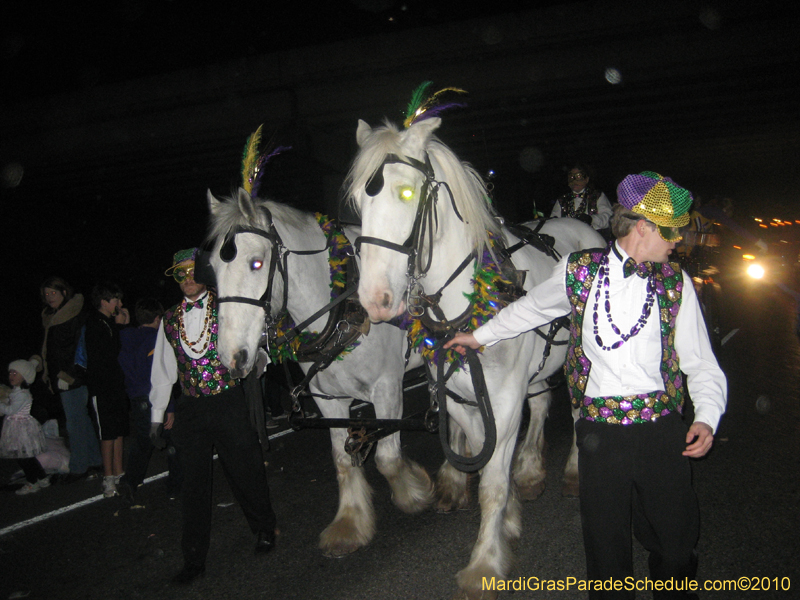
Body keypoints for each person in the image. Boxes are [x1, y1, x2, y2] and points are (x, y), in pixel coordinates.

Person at [446, 171, 727, 599]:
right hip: (599, 434)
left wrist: (706, 416)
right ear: (643, 227)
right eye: (672, 232)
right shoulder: (579, 272)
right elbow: (529, 310)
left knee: (676, 542)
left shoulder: (675, 283)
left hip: (663, 430)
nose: (677, 242)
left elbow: (701, 363)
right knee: (606, 551)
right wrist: (479, 335)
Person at [149, 248, 277, 584]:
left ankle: (264, 529)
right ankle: (193, 559)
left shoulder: (226, 306)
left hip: (227, 400)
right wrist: (157, 414)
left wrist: (256, 361)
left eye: (192, 271)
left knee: (245, 469)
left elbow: (253, 343)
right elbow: (163, 370)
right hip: (191, 407)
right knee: (193, 484)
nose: (187, 279)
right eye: (180, 274)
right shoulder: (169, 319)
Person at [40, 277, 102, 482]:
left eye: (53, 293)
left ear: (64, 293)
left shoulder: (74, 314)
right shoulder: (52, 316)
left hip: (73, 377)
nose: (50, 297)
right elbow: (53, 350)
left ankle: (79, 467)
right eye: (47, 293)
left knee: (74, 423)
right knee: (81, 419)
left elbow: (80, 348)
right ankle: (95, 460)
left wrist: (70, 376)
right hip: (61, 376)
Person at [117, 298, 179, 504]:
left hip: (136, 398)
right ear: (157, 318)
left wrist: (123, 323)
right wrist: (168, 407)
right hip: (153, 397)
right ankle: (175, 486)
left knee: (143, 442)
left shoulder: (126, 337)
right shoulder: (156, 339)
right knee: (175, 441)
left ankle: (129, 482)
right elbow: (159, 375)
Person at [85, 281, 130, 498]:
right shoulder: (95, 324)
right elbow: (107, 355)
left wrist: (121, 326)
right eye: (116, 300)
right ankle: (108, 477)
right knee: (108, 434)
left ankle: (119, 471)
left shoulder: (109, 323)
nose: (120, 304)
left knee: (119, 430)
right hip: (102, 388)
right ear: (104, 302)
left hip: (116, 386)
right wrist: (120, 327)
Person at [1, 357, 50, 495]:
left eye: (15, 373)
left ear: (25, 377)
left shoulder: (23, 394)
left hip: (20, 428)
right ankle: (41, 477)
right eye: (10, 373)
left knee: (23, 457)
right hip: (16, 427)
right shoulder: (16, 391)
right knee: (26, 456)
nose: (11, 376)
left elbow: (11, 410)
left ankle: (32, 482)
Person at [551, 164, 614, 234]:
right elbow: (553, 221)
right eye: (571, 177)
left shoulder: (597, 196)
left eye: (578, 176)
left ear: (586, 179)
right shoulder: (562, 200)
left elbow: (609, 217)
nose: (574, 181)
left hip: (593, 236)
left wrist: (592, 219)